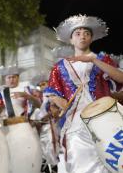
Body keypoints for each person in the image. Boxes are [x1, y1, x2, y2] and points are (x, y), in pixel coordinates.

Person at [43, 15, 123, 173]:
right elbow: (51, 93)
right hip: (76, 123)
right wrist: (59, 102)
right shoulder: (59, 67)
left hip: (105, 118)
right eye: (77, 33)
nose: (82, 35)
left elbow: (120, 78)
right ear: (71, 39)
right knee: (81, 163)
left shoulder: (102, 59)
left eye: (86, 33)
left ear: (91, 38)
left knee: (113, 164)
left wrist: (94, 61)